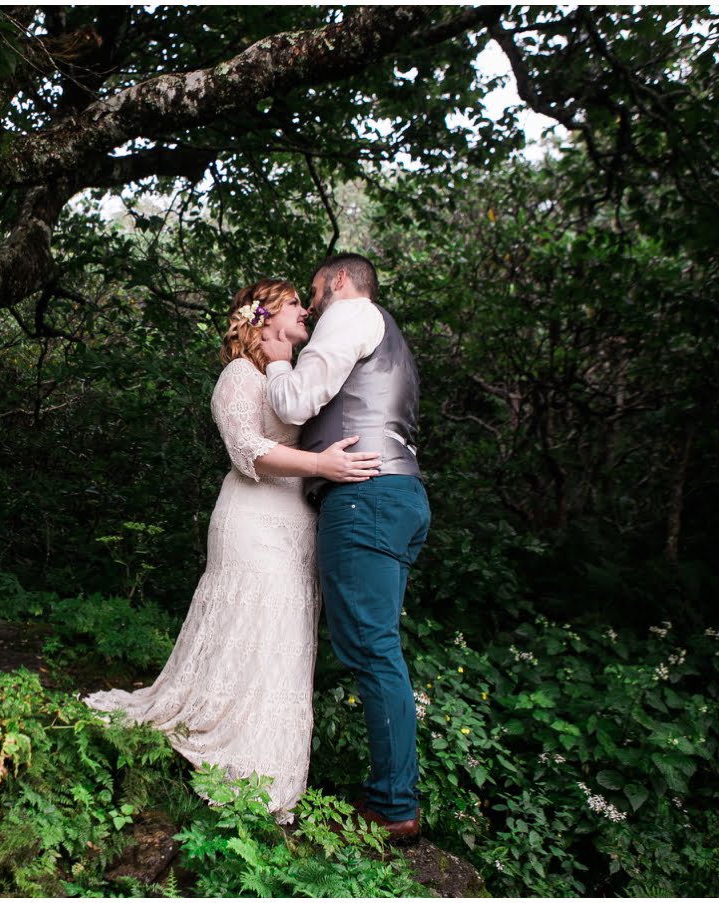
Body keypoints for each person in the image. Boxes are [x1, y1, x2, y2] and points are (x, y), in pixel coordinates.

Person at [84, 278, 380, 821]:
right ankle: (223, 746)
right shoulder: (238, 375)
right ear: (264, 317)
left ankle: (267, 770)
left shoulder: (295, 377)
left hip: (299, 526)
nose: (306, 311)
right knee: (252, 626)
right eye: (294, 303)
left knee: (284, 642)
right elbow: (248, 449)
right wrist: (321, 466)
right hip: (251, 520)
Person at [260, 253, 430, 842]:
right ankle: (392, 796)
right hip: (397, 495)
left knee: (373, 651)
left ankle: (392, 805)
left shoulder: (352, 312)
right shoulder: (390, 337)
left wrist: (280, 364)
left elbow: (295, 402)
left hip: (366, 497)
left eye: (313, 291)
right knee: (377, 647)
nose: (309, 306)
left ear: (338, 281)